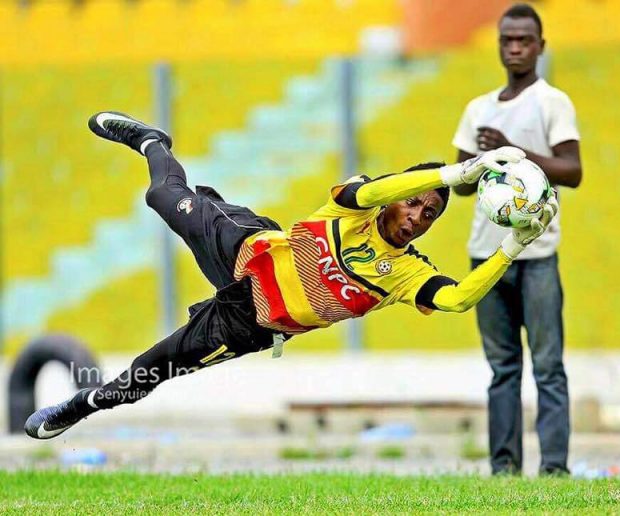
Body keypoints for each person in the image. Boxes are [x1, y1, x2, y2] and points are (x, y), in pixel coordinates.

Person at [25, 111, 558, 440]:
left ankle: (78, 406)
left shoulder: (405, 273)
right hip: (250, 251)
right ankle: (150, 141)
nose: (416, 215)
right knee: (162, 194)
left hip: (250, 321)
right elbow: (369, 193)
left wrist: (514, 243)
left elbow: (460, 298)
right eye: (414, 201)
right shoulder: (359, 205)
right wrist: (456, 173)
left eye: (430, 213)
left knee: (149, 370)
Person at [452, 3, 582, 476]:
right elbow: (462, 184)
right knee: (502, 368)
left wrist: (516, 151)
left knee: (548, 366)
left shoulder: (552, 102)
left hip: (538, 253)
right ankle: (504, 468)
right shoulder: (478, 109)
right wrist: (482, 163)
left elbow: (573, 171)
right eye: (508, 40)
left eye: (525, 40)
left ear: (541, 46)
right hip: (487, 255)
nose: (516, 47)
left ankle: (553, 468)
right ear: (499, 45)